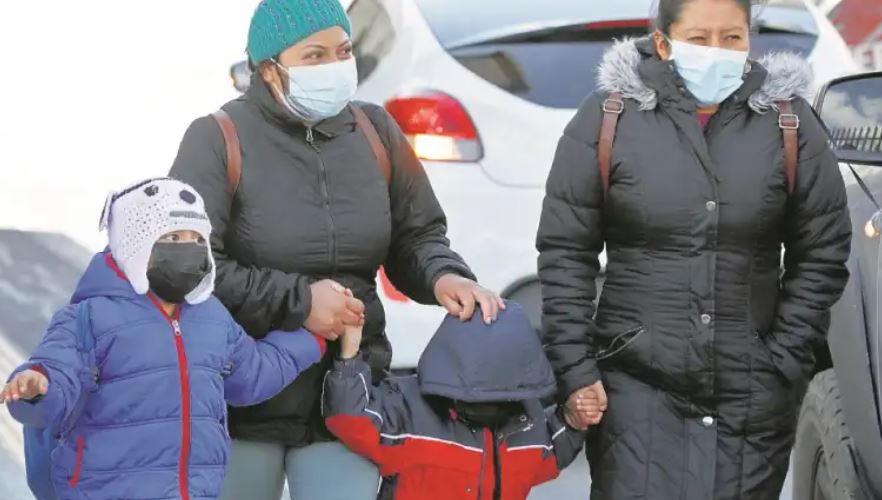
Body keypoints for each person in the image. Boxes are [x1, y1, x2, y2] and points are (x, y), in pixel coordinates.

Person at [169, 1, 503, 498]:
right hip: (239, 401)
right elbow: (193, 267)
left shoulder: (375, 132)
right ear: (269, 69)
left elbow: (418, 235)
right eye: (315, 55)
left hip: (349, 396)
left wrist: (443, 276)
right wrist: (301, 303)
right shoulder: (217, 138)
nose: (334, 65)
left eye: (343, 50)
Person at [536, 0, 853, 498]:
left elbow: (824, 251)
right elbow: (565, 252)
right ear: (663, 44)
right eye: (699, 39)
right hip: (635, 390)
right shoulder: (608, 119)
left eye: (732, 38)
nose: (717, 52)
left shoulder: (791, 124)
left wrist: (785, 358)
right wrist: (576, 369)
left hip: (752, 394)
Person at [0, 178, 326, 500]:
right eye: (172, 236)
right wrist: (36, 385)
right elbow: (58, 373)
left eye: (197, 238)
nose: (188, 248)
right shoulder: (89, 317)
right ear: (135, 244)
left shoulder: (211, 317)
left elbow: (252, 374)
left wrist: (311, 339)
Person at [322, 303, 590, 500]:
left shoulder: (528, 424)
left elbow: (550, 453)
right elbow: (350, 419)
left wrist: (573, 421)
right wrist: (349, 356)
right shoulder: (411, 411)